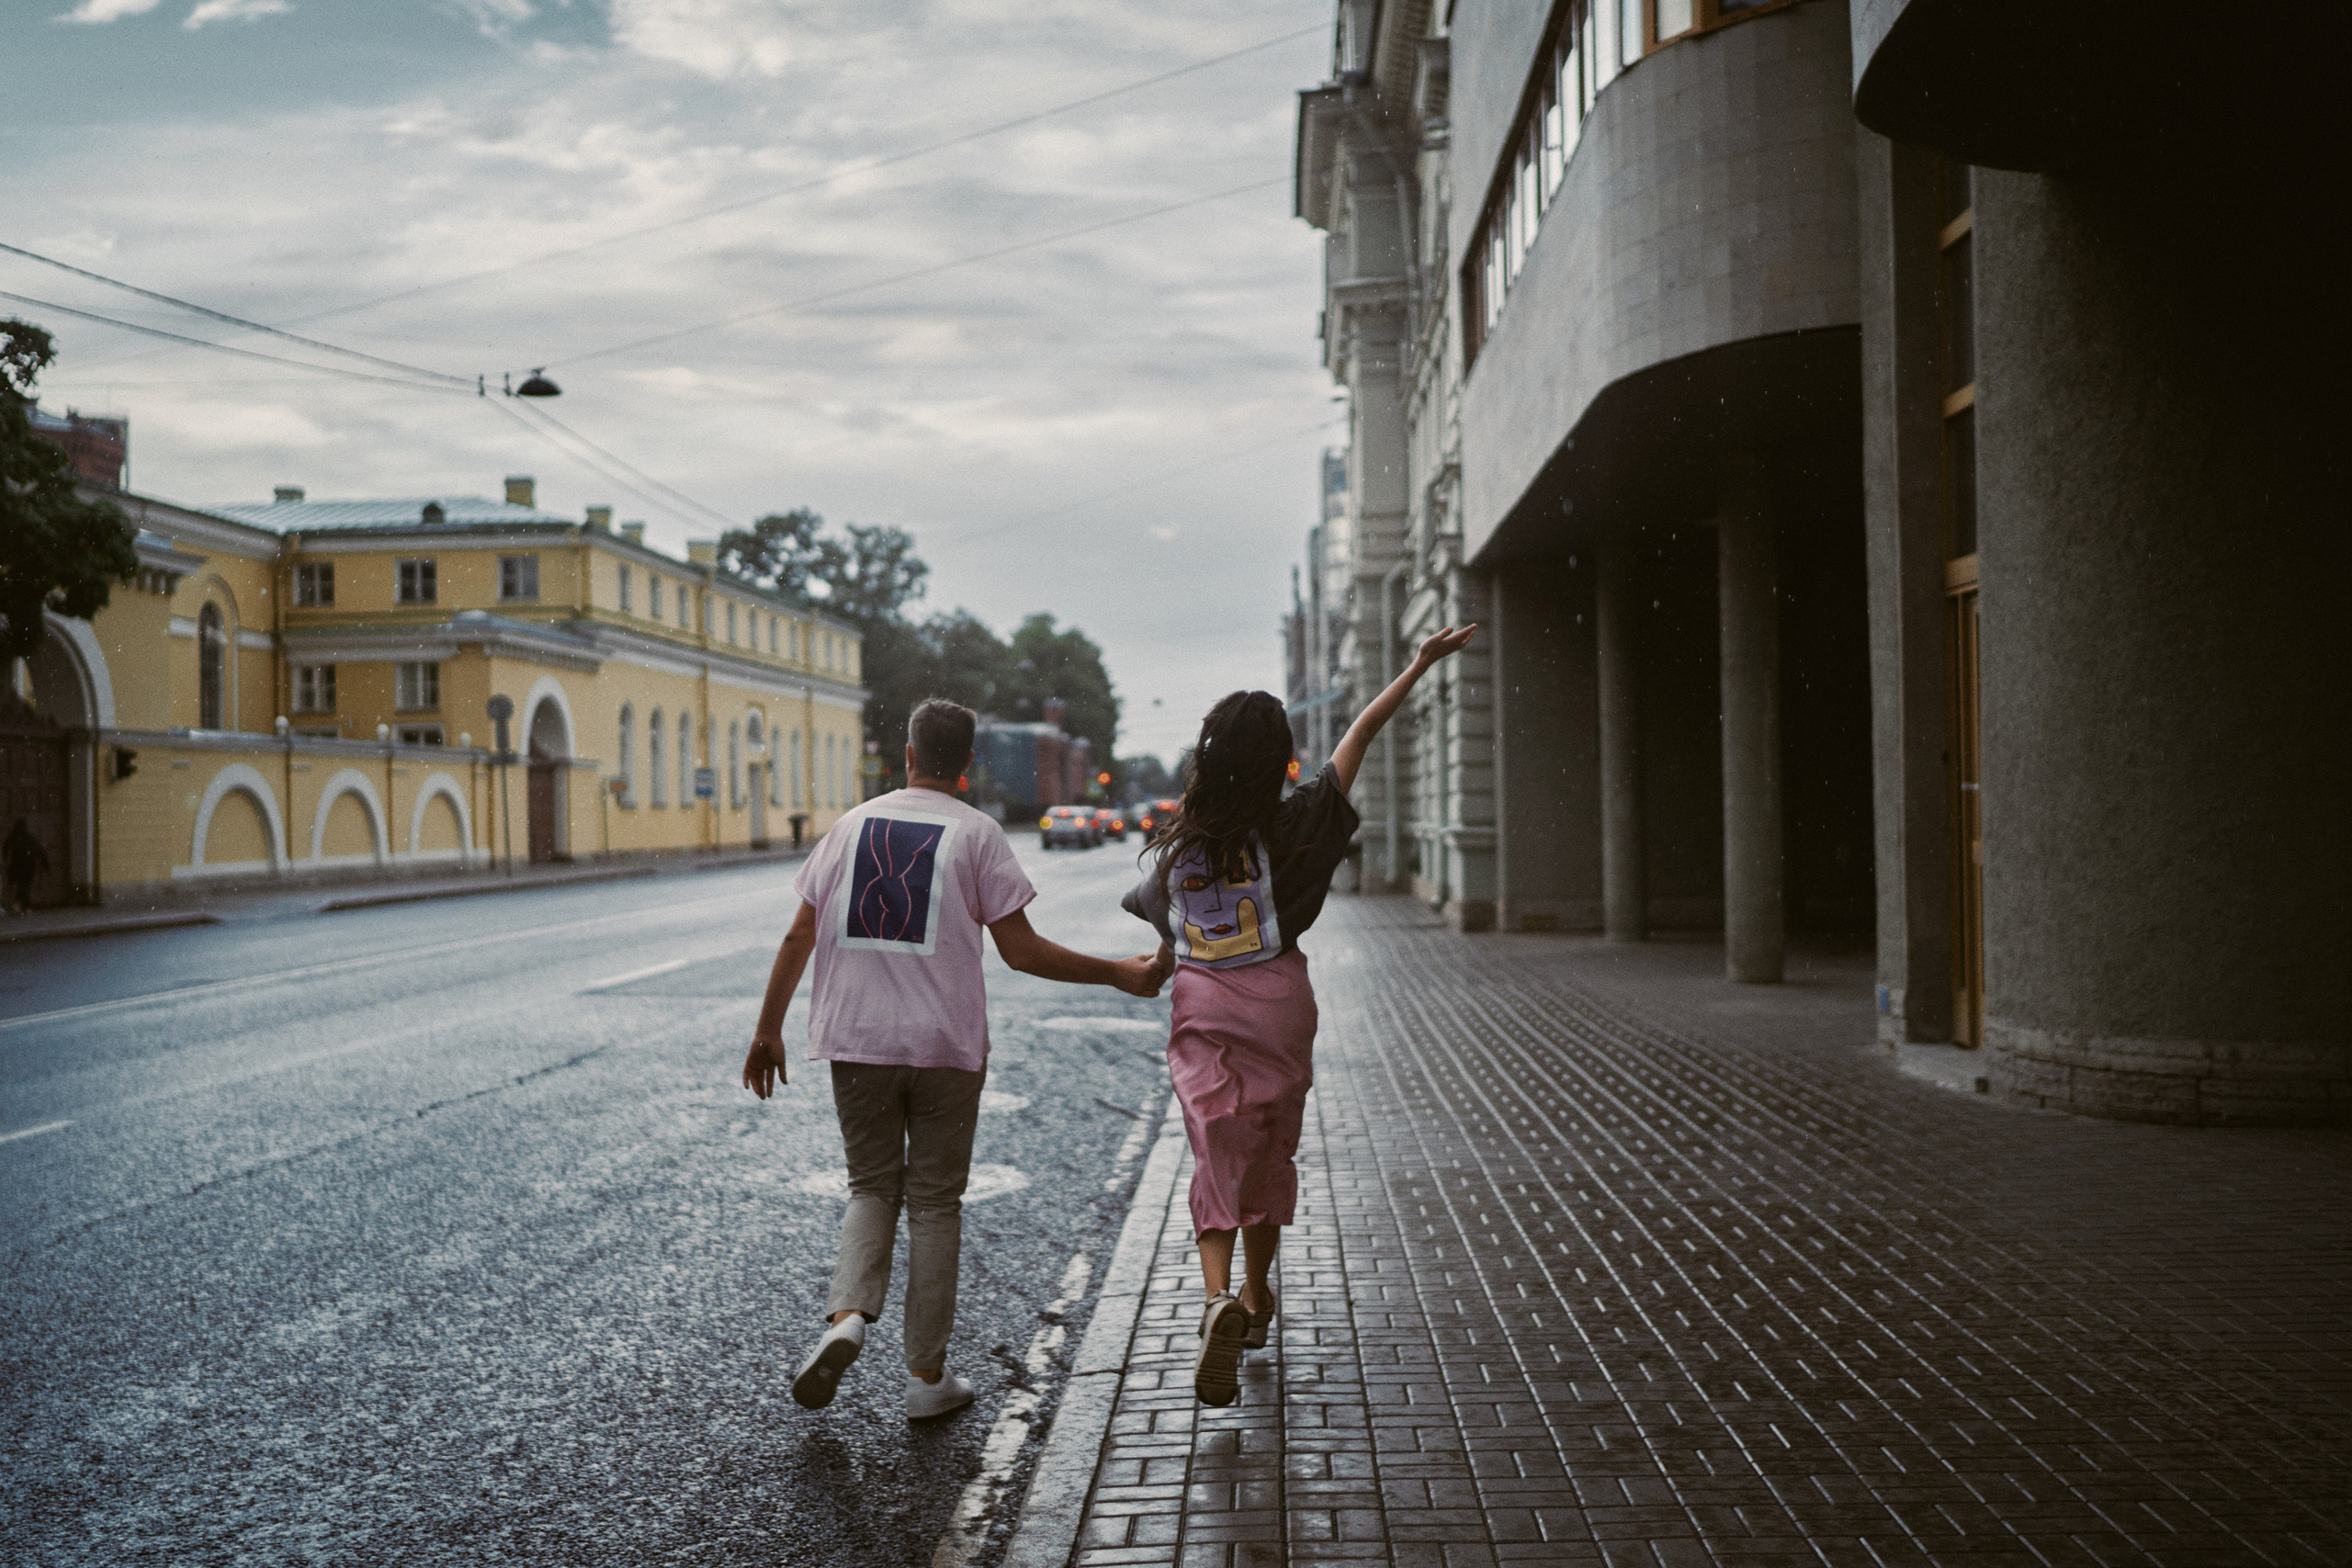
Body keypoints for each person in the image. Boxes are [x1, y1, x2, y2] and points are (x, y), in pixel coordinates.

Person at [742, 698, 1166, 1420]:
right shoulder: (977, 833)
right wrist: (1117, 973)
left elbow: (798, 934)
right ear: (967, 764)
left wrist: (767, 1029)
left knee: (871, 1185)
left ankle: (847, 1315)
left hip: (858, 1039)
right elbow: (1022, 950)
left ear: (908, 755)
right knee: (936, 1202)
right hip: (945, 1046)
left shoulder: (849, 827)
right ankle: (926, 1377)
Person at [1124, 625, 1476, 1405]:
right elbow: (1360, 735)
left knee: (1216, 1150)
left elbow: (1158, 923)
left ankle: (1216, 1297)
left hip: (1204, 1006)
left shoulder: (1179, 849)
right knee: (1269, 1149)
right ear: (1277, 759)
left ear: (1209, 759)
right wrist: (1418, 663)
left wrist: (1161, 959)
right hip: (1281, 1005)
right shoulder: (1297, 827)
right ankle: (1257, 1298)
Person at [4, 818, 48, 915]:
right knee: (25, 886)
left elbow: (5, 848)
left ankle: (21, 905)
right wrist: (45, 864)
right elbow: (40, 850)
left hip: (16, 865)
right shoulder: (30, 837)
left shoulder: (13, 836)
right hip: (29, 866)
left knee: (21, 886)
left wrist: (5, 859)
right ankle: (23, 906)